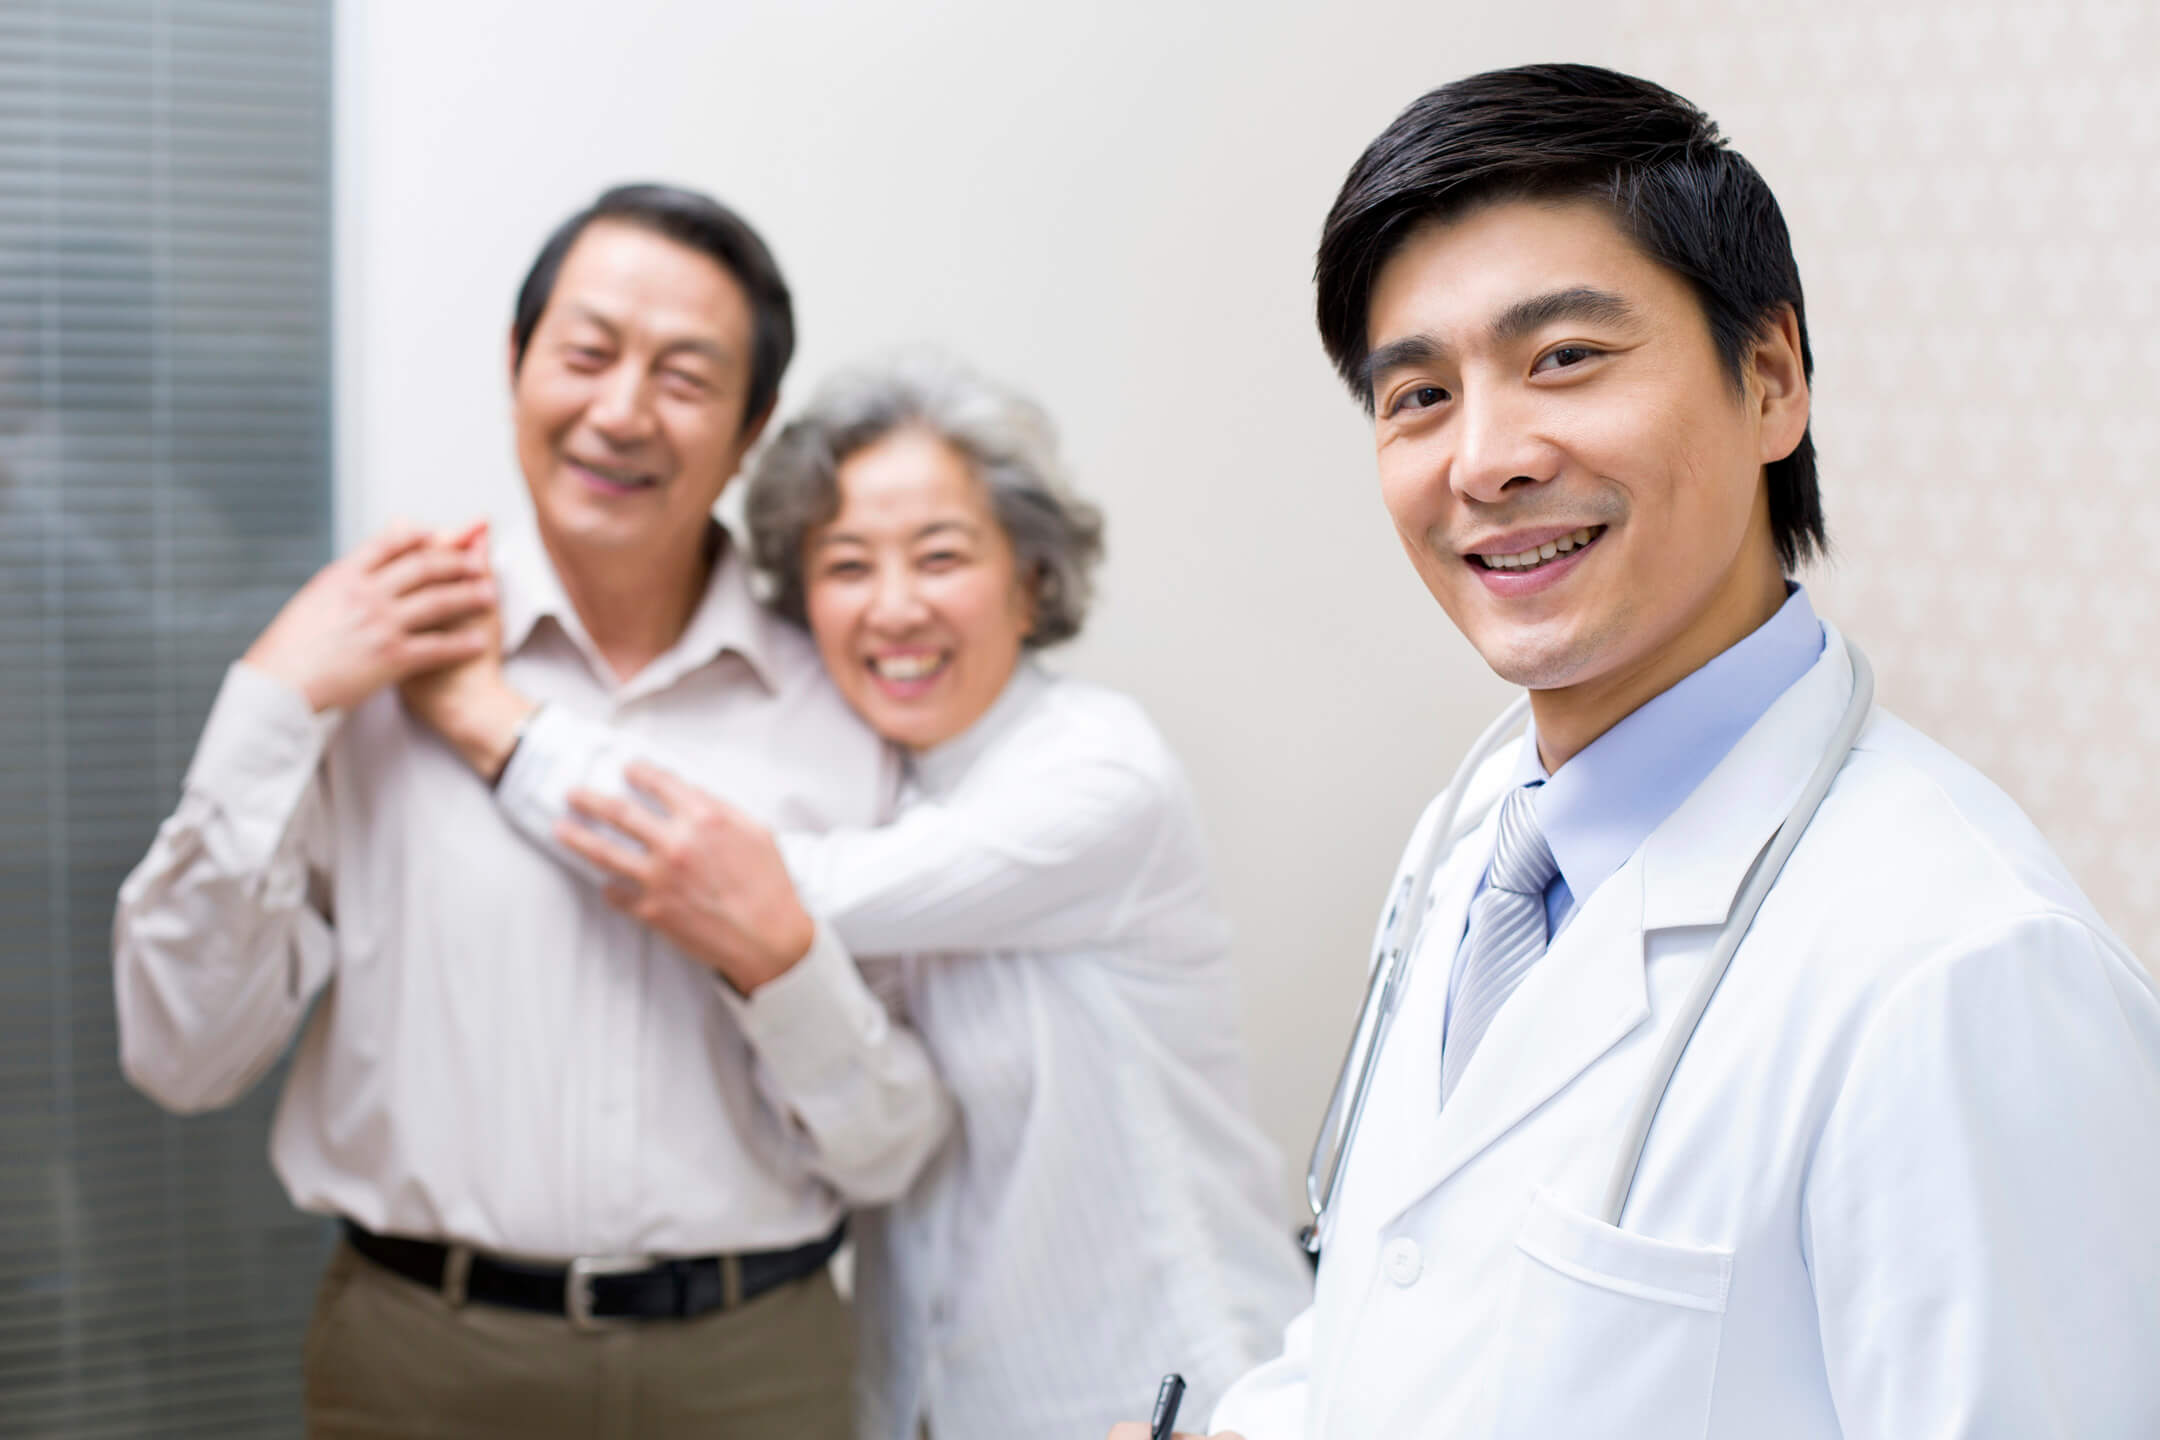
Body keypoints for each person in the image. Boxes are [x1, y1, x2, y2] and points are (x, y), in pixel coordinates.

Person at [1112, 63, 2160, 1440]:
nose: (1483, 460)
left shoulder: (1961, 969)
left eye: (1563, 358)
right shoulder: (1483, 834)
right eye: (1418, 394)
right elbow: (1406, 1319)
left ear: (1771, 379)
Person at [112, 183, 950, 1439]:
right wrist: (273, 697)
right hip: (422, 1364)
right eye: (587, 352)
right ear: (516, 366)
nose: (622, 411)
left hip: (755, 1369)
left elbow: (892, 1149)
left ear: (751, 428)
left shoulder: (846, 702)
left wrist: (773, 957)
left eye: (684, 376)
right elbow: (182, 1053)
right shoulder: (368, 662)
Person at [401, 354, 1315, 1439]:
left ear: (1030, 579)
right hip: (938, 1402)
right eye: (845, 566)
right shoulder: (874, 786)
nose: (894, 608)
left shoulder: (1100, 774)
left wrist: (488, 720)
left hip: (1167, 1387)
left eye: (940, 556)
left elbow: (754, 885)